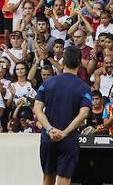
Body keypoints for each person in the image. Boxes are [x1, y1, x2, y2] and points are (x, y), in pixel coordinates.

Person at [33, 46, 92, 185]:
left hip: (48, 138)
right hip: (68, 139)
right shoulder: (84, 87)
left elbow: (37, 109)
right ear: (79, 64)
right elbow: (84, 114)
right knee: (64, 179)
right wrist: (64, 133)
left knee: (48, 177)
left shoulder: (47, 82)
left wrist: (49, 129)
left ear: (63, 63)